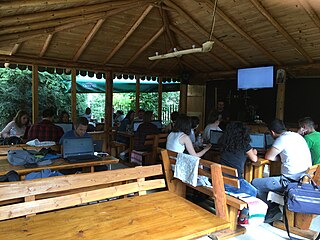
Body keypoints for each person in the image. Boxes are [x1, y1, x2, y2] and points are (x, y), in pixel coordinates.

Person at [252, 119, 312, 223]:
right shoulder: (297, 136)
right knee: (270, 179)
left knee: (255, 183)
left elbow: (269, 156)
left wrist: (277, 157)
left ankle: (272, 209)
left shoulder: (282, 139)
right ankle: (274, 206)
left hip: (290, 181)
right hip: (304, 179)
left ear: (272, 132)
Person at [218, 121, 258, 224]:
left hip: (219, 180)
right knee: (253, 191)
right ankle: (243, 217)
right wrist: (254, 152)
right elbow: (254, 159)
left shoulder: (222, 142)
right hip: (234, 183)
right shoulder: (245, 144)